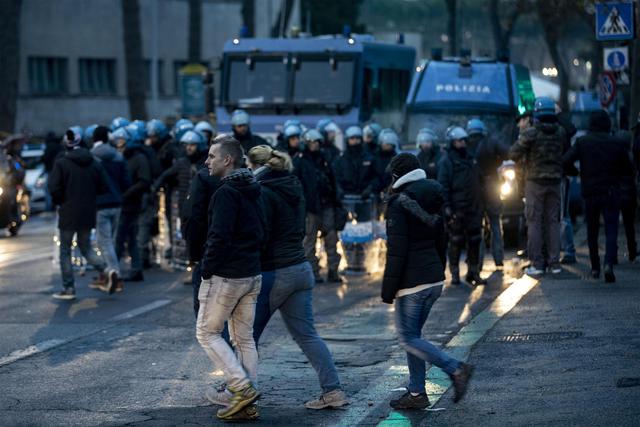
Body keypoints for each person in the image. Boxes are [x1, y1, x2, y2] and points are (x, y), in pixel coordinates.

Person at [240, 145, 348, 411]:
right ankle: (333, 391)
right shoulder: (293, 185)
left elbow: (260, 233)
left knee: (246, 336)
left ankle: (237, 390)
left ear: (254, 166)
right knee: (308, 336)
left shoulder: (263, 190)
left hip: (275, 271)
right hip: (300, 267)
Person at [382, 153, 473, 409]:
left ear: (397, 176)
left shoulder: (399, 204)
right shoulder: (432, 195)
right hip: (432, 278)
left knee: (409, 338)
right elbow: (441, 238)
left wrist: (388, 290)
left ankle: (456, 369)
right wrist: (439, 271)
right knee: (415, 337)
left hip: (413, 283)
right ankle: (416, 394)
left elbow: (396, 251)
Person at [196, 136, 264, 421]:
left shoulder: (226, 193)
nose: (206, 161)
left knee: (207, 332)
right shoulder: (253, 187)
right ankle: (247, 401)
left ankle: (241, 388)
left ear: (227, 160)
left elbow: (219, 236)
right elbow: (263, 230)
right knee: (244, 339)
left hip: (228, 275)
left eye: (212, 156)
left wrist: (206, 269)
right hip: (251, 273)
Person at [563, 110, 634, 282]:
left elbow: (565, 161)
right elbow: (629, 168)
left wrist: (576, 172)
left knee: (592, 230)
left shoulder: (582, 142)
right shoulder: (616, 143)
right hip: (611, 191)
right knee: (611, 229)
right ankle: (608, 263)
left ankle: (595, 267)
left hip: (590, 191)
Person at [48, 128, 109, 300]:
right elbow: (103, 186)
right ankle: (106, 270)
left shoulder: (62, 163)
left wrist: (61, 200)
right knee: (86, 248)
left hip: (68, 211)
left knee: (65, 251)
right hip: (88, 211)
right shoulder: (93, 161)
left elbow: (53, 187)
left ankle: (69, 288)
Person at [509, 97, 565, 276]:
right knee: (553, 222)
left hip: (534, 182)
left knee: (534, 222)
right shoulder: (560, 132)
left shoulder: (531, 133)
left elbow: (513, 153)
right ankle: (555, 263)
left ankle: (538, 264)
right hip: (555, 181)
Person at [438, 126, 486, 286]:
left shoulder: (471, 158)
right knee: (456, 241)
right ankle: (455, 274)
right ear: (452, 142)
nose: (462, 143)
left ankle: (473, 273)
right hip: (457, 208)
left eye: (464, 140)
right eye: (459, 141)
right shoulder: (447, 161)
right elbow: (443, 185)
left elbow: (479, 181)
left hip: (473, 207)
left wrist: (481, 203)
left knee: (475, 240)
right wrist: (448, 207)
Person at [294, 129, 343, 284]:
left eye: (317, 142)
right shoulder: (300, 161)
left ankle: (333, 272)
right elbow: (297, 184)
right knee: (309, 242)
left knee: (331, 239)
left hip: (327, 205)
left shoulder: (325, 159)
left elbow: (333, 182)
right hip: (310, 208)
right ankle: (313, 274)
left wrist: (337, 203)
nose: (314, 145)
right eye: (311, 142)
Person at [91, 126, 131, 293]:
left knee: (104, 242)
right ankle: (110, 275)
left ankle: (114, 274)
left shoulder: (92, 156)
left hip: (100, 204)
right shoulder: (118, 156)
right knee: (111, 241)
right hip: (117, 203)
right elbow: (126, 181)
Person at [466, 118, 508, 270]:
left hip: (475, 188)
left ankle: (478, 263)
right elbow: (507, 153)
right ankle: (498, 258)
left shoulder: (467, 144)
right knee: (496, 222)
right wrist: (496, 163)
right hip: (492, 185)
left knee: (478, 226)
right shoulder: (491, 142)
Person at [113, 127, 151, 282]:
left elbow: (144, 181)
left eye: (121, 141)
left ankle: (111, 272)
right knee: (130, 238)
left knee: (119, 239)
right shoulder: (121, 157)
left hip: (131, 203)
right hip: (124, 202)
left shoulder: (139, 158)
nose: (118, 144)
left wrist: (125, 194)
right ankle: (136, 269)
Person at [557, 111, 578, 265]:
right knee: (562, 215)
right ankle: (566, 250)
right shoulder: (562, 130)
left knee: (562, 216)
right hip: (561, 174)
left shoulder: (559, 130)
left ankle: (568, 251)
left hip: (559, 175)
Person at [374, 128, 400, 193]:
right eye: (385, 144)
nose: (386, 146)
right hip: (377, 190)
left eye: (389, 144)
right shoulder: (375, 158)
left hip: (393, 190)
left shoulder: (398, 159)